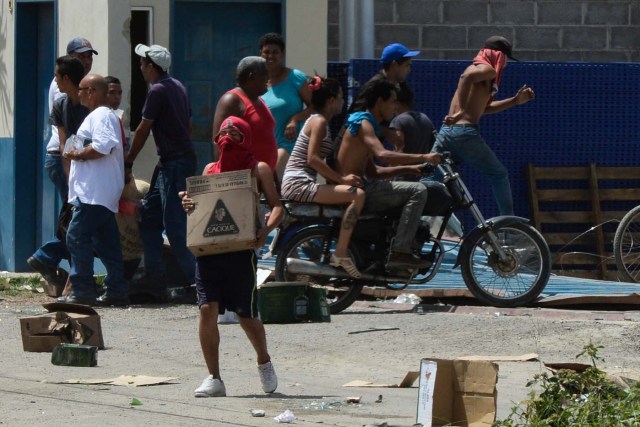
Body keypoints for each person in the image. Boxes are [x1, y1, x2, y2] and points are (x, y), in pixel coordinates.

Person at [181, 116, 283, 397]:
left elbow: (277, 207)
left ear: (246, 138)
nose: (227, 137)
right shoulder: (209, 170)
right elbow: (198, 208)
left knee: (246, 315)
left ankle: (264, 361)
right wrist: (188, 202)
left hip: (241, 253)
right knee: (206, 309)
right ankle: (214, 378)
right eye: (223, 133)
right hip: (209, 252)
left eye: (234, 133)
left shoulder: (257, 169)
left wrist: (265, 231)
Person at [335, 79, 441, 268]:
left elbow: (373, 171)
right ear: (379, 102)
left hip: (363, 185)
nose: (395, 106)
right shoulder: (363, 122)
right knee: (418, 191)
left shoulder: (365, 123)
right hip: (358, 189)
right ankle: (400, 252)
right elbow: (382, 155)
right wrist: (424, 156)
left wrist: (411, 168)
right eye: (392, 101)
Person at [431, 36, 535, 216]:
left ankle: (418, 222)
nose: (505, 65)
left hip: (447, 133)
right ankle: (508, 226)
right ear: (498, 55)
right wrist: (461, 111)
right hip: (464, 133)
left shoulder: (479, 71)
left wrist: (515, 101)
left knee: (431, 178)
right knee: (499, 174)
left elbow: (483, 109)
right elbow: (466, 77)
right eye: (505, 59)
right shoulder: (487, 69)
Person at [125, 44, 197, 299]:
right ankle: (154, 277)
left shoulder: (157, 91)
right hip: (171, 162)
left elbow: (144, 128)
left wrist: (129, 159)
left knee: (175, 225)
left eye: (143, 64)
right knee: (149, 215)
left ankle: (198, 282)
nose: (141, 68)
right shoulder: (177, 86)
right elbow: (188, 125)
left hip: (174, 163)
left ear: (151, 67)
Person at [28, 38, 98, 288]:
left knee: (74, 217)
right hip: (64, 159)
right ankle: (65, 270)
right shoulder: (65, 88)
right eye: (81, 57)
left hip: (74, 159)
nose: (87, 62)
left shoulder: (82, 86)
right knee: (75, 217)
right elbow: (67, 138)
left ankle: (52, 261)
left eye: (90, 57)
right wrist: (73, 170)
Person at [281, 76, 365, 277]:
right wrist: (342, 181)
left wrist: (338, 180)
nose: (343, 102)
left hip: (299, 181)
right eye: (341, 97)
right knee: (358, 195)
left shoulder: (321, 122)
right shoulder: (318, 121)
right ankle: (341, 253)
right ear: (330, 101)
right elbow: (313, 159)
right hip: (298, 183)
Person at [62, 74, 128, 306]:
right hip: (99, 192)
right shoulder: (101, 116)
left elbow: (102, 146)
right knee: (107, 241)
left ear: (91, 91)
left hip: (94, 193)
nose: (77, 93)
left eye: (81, 89)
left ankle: (82, 291)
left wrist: (76, 155)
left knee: (77, 236)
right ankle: (117, 290)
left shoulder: (100, 115)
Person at [335, 42, 420, 152]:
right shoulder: (375, 86)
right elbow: (354, 120)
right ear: (394, 64)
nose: (409, 70)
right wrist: (387, 132)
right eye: (406, 65)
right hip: (347, 152)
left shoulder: (400, 88)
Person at [258, 33, 312, 181]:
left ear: (282, 54)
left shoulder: (296, 77)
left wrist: (296, 119)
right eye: (266, 52)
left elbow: (315, 107)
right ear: (260, 54)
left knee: (273, 177)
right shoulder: (257, 82)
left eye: (275, 52)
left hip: (288, 144)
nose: (270, 56)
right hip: (263, 145)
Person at [211, 56, 277, 174]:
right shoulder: (231, 100)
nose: (269, 78)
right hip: (244, 182)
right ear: (252, 77)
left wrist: (273, 178)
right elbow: (219, 144)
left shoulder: (260, 101)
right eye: (265, 74)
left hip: (264, 180)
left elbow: (267, 141)